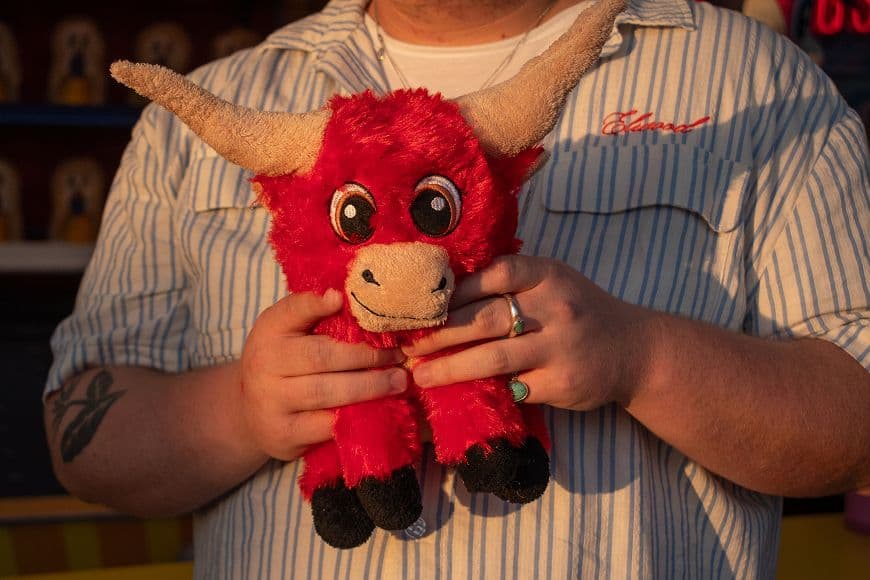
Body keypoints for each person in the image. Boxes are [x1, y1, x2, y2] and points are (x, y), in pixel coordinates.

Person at [44, 0, 869, 578]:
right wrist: (241, 410)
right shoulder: (207, 117)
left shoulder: (759, 85)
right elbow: (82, 432)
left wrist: (641, 357)